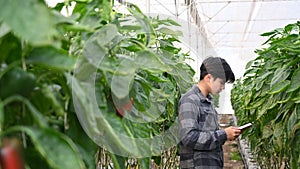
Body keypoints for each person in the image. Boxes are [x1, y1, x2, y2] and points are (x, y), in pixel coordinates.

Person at [178, 56, 241, 169]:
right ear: (208, 78)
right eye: (221, 83)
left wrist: (225, 134)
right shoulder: (190, 100)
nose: (223, 88)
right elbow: (188, 137)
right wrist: (223, 134)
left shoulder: (208, 101)